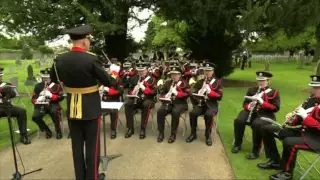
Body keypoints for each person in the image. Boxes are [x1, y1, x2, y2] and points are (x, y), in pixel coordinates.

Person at [50, 25, 120, 180]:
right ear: (84, 41)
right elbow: (109, 82)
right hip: (90, 108)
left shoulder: (59, 59)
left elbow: (54, 80)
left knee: (76, 147)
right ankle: (92, 177)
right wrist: (114, 71)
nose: (89, 42)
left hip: (72, 108)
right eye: (89, 39)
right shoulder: (91, 59)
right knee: (92, 148)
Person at [259, 75, 320, 180]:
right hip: (304, 132)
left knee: (289, 142)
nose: (313, 90)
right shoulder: (311, 100)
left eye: (316, 88)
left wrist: (305, 116)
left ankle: (287, 174)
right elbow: (298, 120)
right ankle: (274, 160)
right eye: (313, 88)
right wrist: (292, 119)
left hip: (316, 139)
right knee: (267, 129)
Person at [232, 71, 280, 160]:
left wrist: (263, 103)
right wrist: (249, 106)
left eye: (263, 80)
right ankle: (237, 144)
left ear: (268, 80)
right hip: (251, 112)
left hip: (266, 114)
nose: (260, 82)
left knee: (257, 124)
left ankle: (255, 151)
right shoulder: (252, 90)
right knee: (239, 120)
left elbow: (276, 108)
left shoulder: (274, 92)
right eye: (259, 80)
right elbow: (245, 104)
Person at [186, 62, 223, 146]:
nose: (207, 72)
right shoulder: (201, 81)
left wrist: (210, 92)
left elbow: (220, 96)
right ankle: (193, 134)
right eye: (205, 70)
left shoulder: (217, 82)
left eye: (209, 70)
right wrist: (194, 92)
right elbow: (194, 89)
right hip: (200, 104)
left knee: (209, 114)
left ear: (213, 71)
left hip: (211, 106)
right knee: (193, 113)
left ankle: (208, 135)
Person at [157, 65, 190, 143]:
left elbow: (187, 94)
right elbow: (162, 93)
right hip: (168, 103)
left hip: (180, 104)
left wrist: (177, 93)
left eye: (175, 74)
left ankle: (173, 134)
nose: (173, 76)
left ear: (179, 75)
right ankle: (161, 132)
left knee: (175, 112)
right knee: (160, 111)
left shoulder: (184, 83)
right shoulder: (168, 83)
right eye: (172, 74)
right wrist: (164, 97)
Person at [124, 62, 157, 139]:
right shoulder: (134, 78)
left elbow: (154, 92)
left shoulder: (152, 79)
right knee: (127, 104)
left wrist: (144, 89)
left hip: (148, 99)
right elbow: (129, 89)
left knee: (146, 105)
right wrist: (132, 92)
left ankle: (143, 128)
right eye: (139, 71)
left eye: (142, 71)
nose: (140, 72)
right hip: (135, 98)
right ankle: (130, 128)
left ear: (146, 70)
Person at [0, 67, 31, 145]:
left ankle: (23, 135)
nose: (0, 78)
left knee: (21, 111)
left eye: (0, 76)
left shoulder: (5, 84)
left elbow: (13, 94)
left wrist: (6, 90)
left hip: (7, 107)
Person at [31, 68, 64, 139]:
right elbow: (33, 99)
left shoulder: (56, 85)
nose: (46, 79)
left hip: (53, 104)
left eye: (47, 77)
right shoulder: (38, 86)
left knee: (54, 112)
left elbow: (61, 97)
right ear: (42, 77)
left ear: (50, 77)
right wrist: (38, 100)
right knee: (35, 117)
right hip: (41, 105)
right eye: (44, 77)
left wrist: (52, 96)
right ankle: (47, 130)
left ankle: (58, 130)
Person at [100, 64, 123, 139]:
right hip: (103, 99)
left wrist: (108, 90)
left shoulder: (117, 79)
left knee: (113, 111)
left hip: (114, 100)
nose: (107, 71)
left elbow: (119, 91)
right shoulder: (102, 79)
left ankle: (113, 129)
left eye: (108, 70)